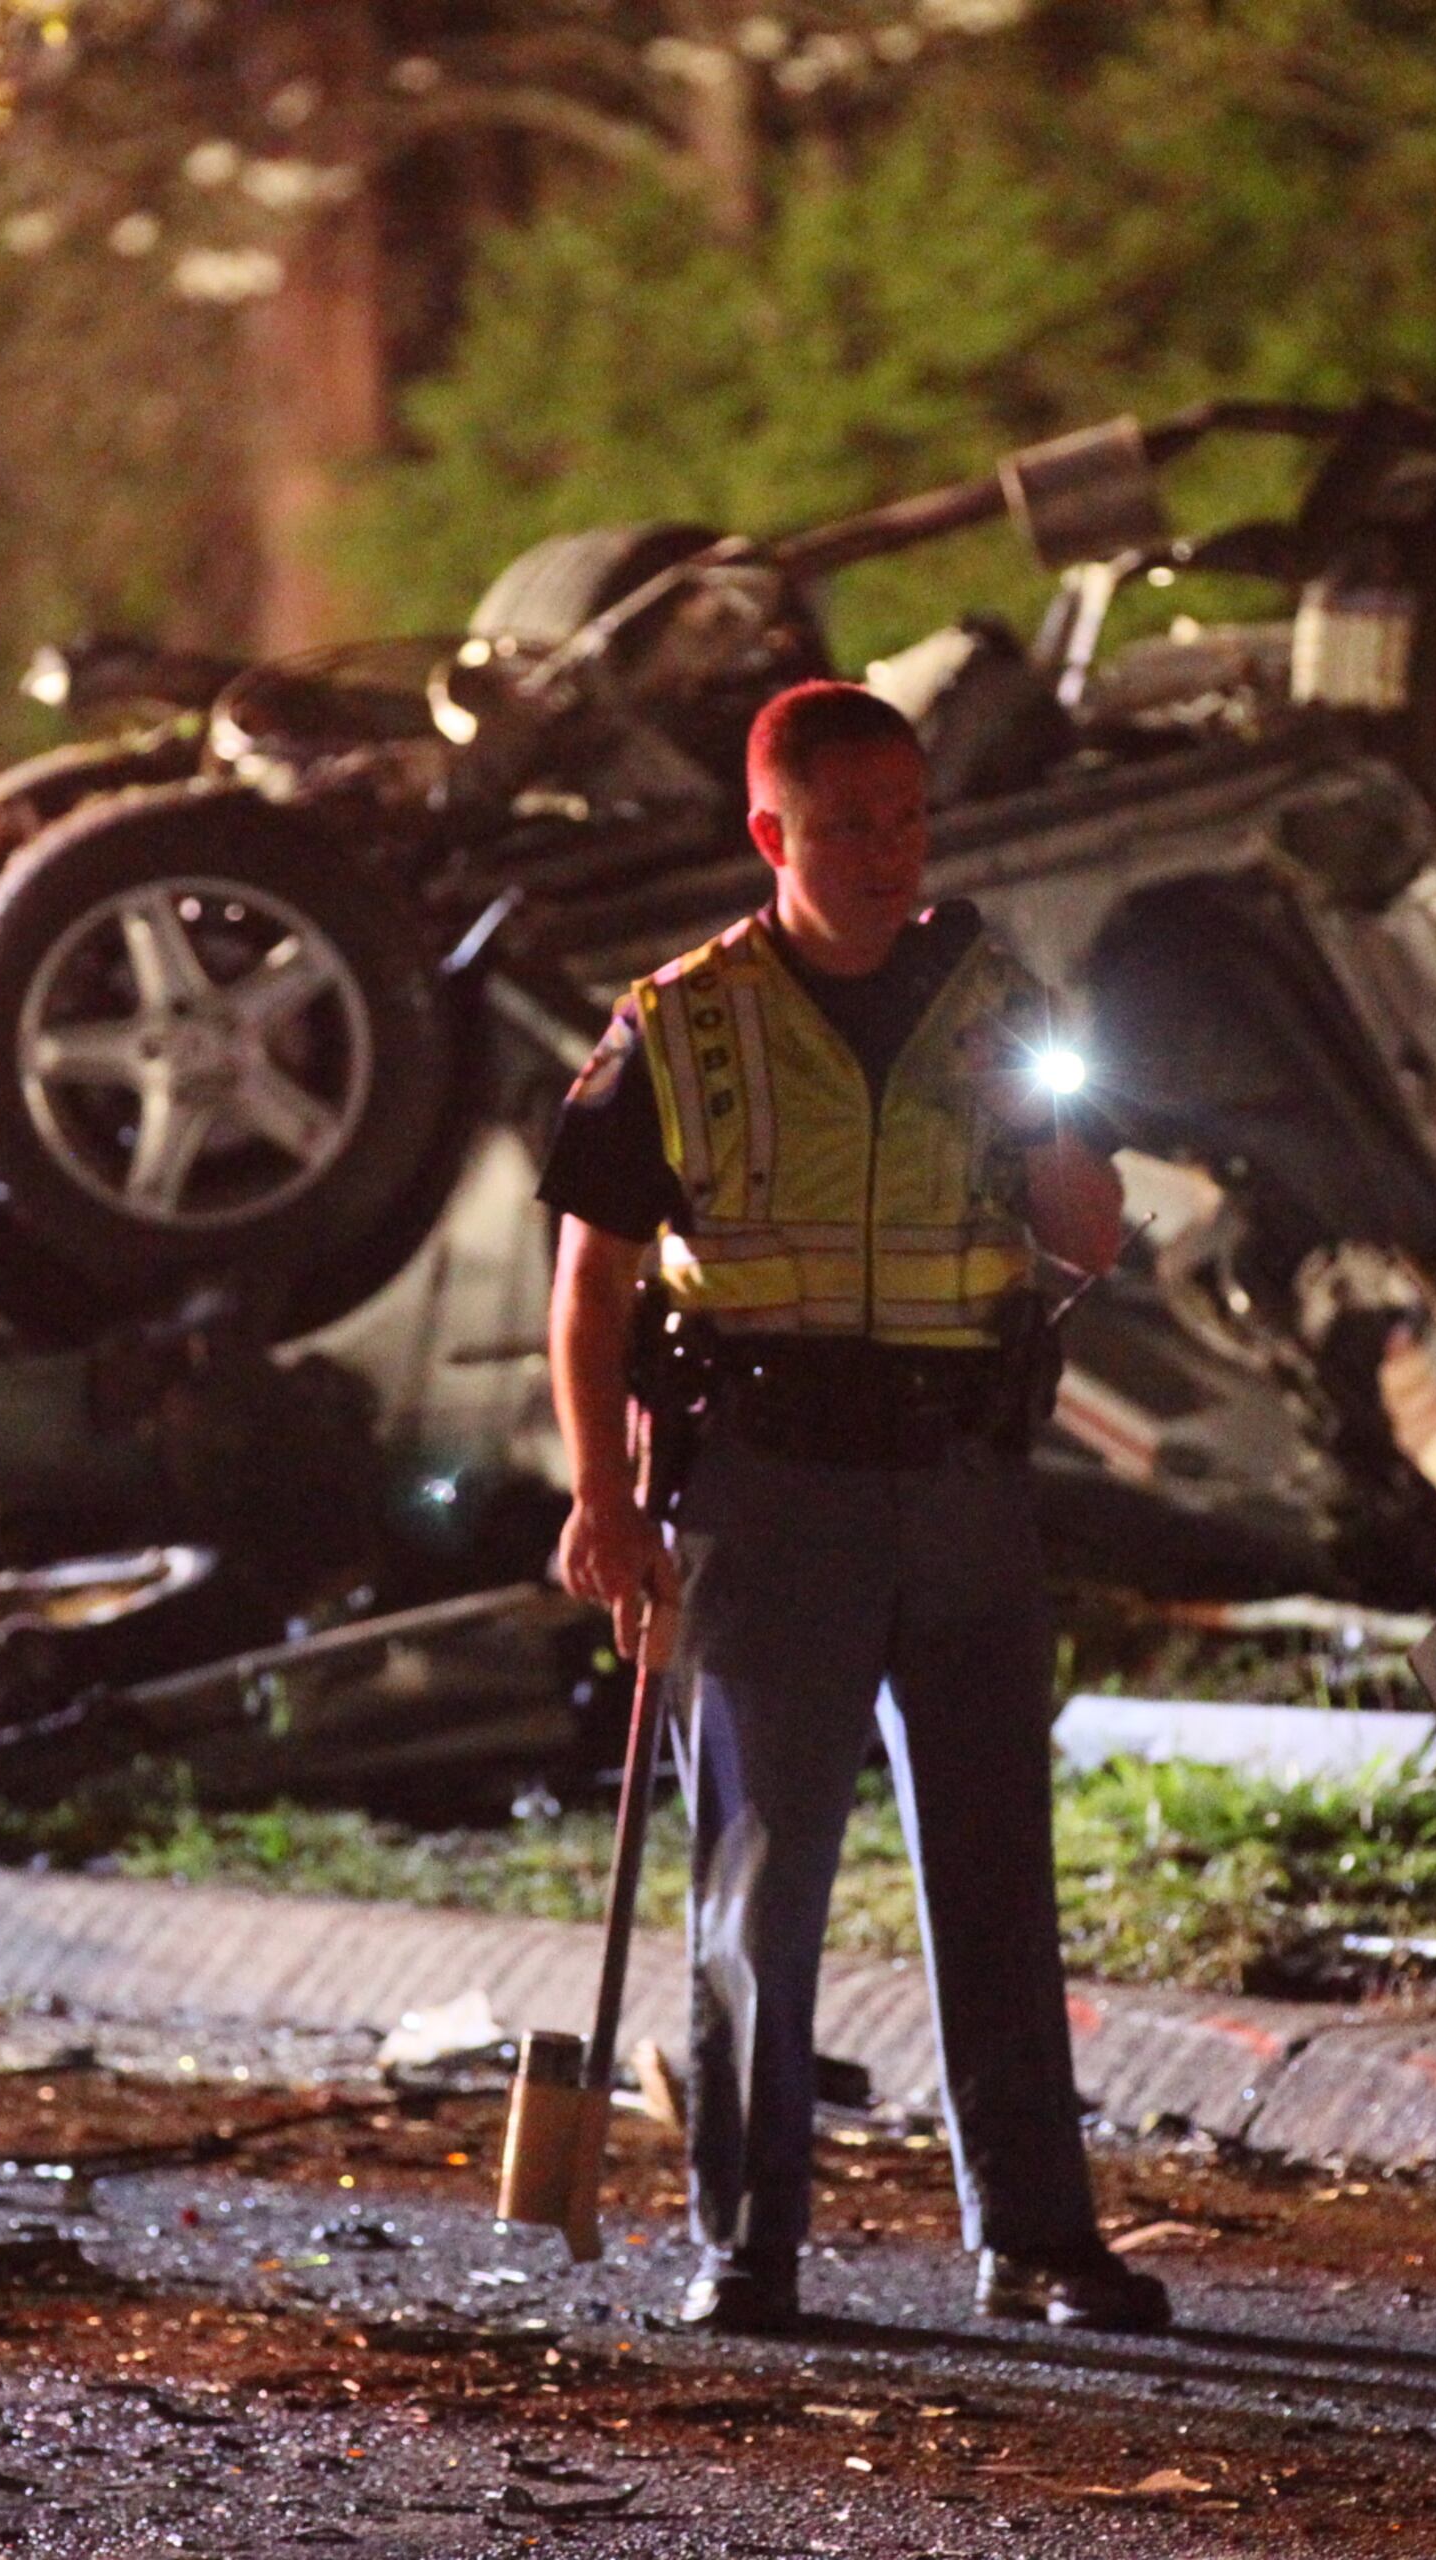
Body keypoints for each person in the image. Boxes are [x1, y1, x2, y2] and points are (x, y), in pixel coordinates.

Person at [538, 680, 1169, 2339]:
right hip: (768, 1491)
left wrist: (1043, 1132)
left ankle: (1038, 2238)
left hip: (962, 1480)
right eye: (845, 827)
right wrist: (602, 1497)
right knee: (764, 1875)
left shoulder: (998, 996)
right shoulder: (680, 1023)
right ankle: (746, 2245)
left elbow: (1091, 1237)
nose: (887, 853)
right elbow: (589, 1285)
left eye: (906, 819)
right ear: (772, 837)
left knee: (994, 1867)